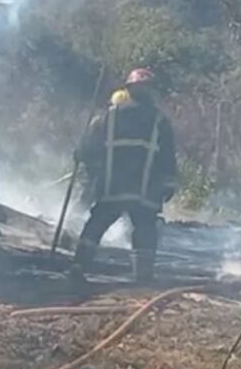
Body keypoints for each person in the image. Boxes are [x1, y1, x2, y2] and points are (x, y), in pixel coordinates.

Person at [69, 68, 178, 284]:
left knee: (96, 225)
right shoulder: (159, 121)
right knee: (145, 229)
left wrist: (81, 157)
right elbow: (168, 156)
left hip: (112, 188)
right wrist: (168, 184)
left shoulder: (107, 118)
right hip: (145, 191)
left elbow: (87, 150)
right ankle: (143, 277)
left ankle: (78, 268)